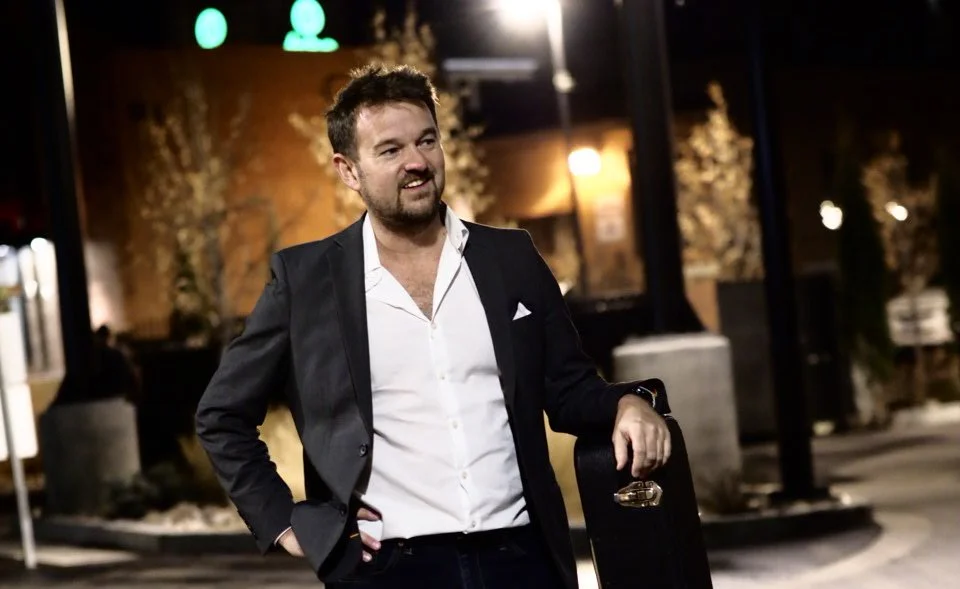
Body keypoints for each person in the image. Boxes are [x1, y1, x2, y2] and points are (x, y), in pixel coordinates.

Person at [195, 63, 671, 589]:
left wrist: (627, 403)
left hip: (522, 559)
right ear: (348, 170)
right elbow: (221, 416)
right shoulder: (305, 283)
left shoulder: (509, 259)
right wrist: (287, 523)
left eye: (426, 141)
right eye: (390, 150)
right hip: (389, 571)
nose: (417, 162)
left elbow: (568, 389)